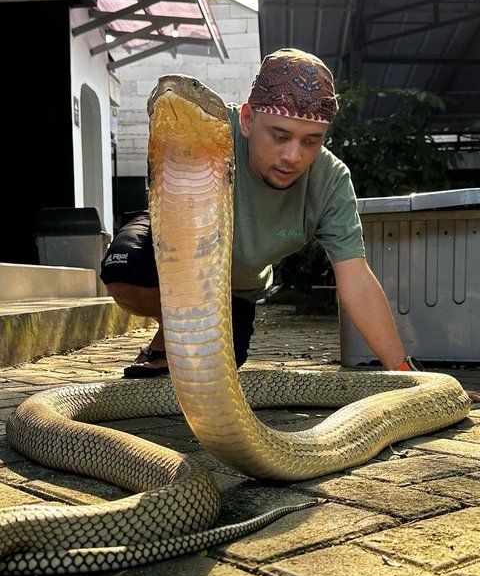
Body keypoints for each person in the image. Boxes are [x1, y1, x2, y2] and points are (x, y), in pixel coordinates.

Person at [100, 48, 479, 401]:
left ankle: (178, 341)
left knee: (224, 361)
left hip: (235, 290)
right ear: (247, 119)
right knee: (126, 271)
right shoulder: (212, 127)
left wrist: (405, 377)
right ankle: (172, 336)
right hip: (175, 237)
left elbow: (356, 280)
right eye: (279, 136)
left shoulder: (330, 181)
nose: (292, 156)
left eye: (311, 141)